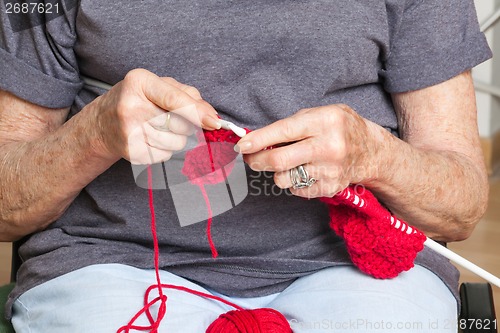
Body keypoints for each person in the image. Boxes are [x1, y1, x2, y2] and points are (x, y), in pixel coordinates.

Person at [0, 1, 492, 332]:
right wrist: (94, 134)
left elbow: (461, 206)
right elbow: (6, 207)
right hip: (109, 267)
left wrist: (376, 156)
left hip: (358, 272)